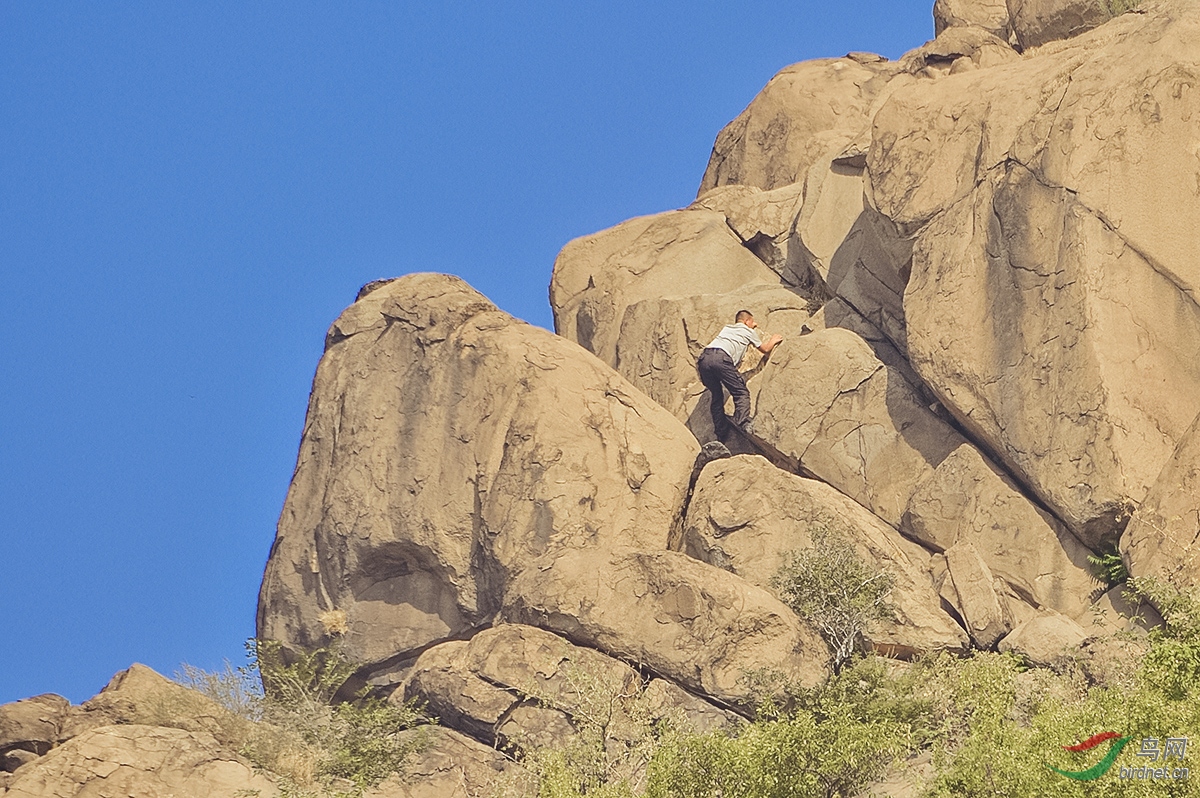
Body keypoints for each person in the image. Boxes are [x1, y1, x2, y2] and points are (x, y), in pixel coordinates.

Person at [697, 310, 783, 438]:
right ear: (746, 321)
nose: (755, 324)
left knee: (717, 395)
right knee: (741, 392)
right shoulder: (747, 331)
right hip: (721, 359)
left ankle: (721, 433)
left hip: (704, 359)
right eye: (753, 321)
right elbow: (765, 349)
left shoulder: (727, 329)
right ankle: (742, 424)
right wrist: (773, 340)